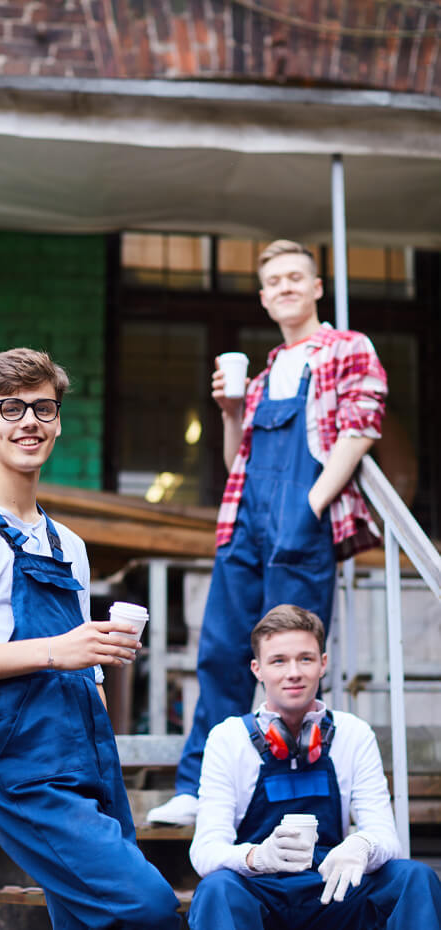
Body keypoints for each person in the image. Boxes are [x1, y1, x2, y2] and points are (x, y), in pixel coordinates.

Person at [0, 347, 182, 930]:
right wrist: (61, 650)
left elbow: (85, 661)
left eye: (44, 408)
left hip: (87, 754)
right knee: (147, 906)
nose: (30, 421)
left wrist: (97, 664)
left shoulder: (69, 545)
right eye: (10, 408)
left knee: (89, 920)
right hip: (21, 764)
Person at [148, 240, 388, 826]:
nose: (284, 287)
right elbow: (238, 462)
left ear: (316, 288)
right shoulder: (259, 377)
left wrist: (312, 502)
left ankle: (292, 794)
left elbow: (362, 427)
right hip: (246, 521)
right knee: (222, 651)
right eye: (274, 280)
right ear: (263, 297)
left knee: (292, 663)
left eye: (295, 277)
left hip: (303, 521)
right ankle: (200, 788)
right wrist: (231, 411)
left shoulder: (345, 349)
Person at [187, 604, 441, 930]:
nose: (293, 672)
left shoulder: (353, 733)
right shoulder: (228, 738)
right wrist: (258, 857)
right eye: (278, 661)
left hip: (335, 890)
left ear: (322, 664)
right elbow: (206, 850)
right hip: (262, 893)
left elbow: (385, 836)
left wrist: (361, 846)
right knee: (217, 889)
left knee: (413, 877)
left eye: (305, 659)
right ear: (257, 669)